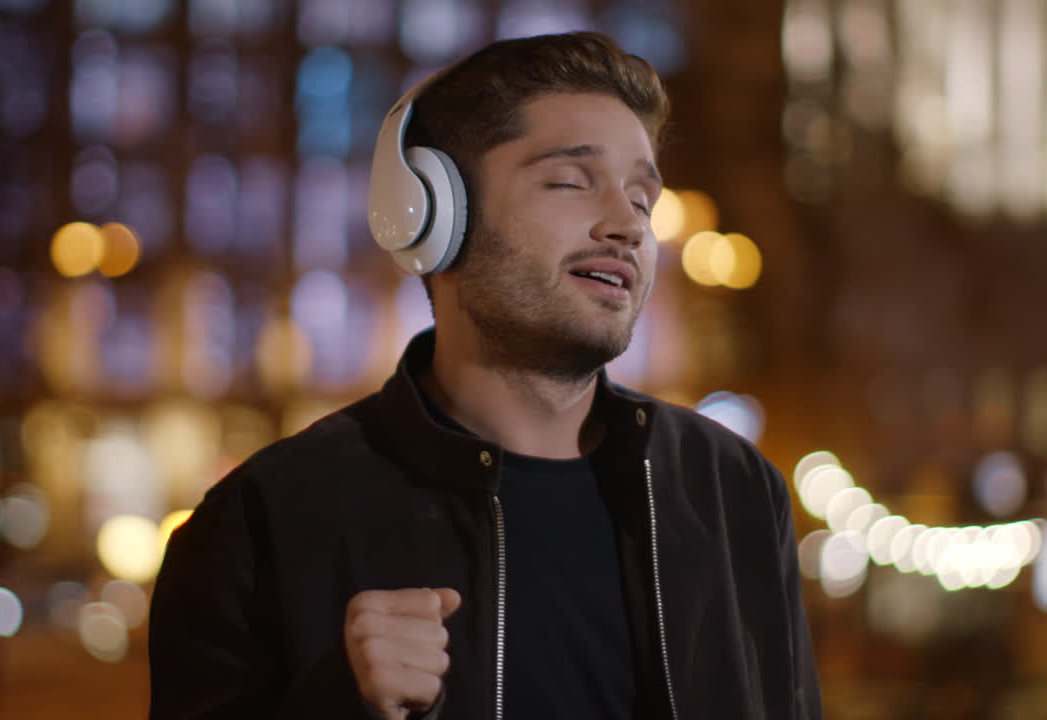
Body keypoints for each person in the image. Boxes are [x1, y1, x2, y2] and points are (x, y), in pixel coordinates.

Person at [149, 31, 822, 720]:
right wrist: (339, 706)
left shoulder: (733, 493)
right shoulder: (258, 525)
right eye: (569, 181)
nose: (627, 224)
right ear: (432, 216)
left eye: (643, 200)